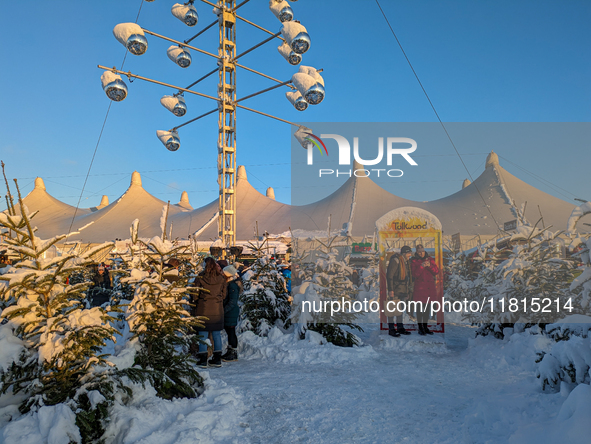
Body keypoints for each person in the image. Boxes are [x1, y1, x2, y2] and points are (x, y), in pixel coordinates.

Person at [192, 257, 227, 368]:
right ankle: (217, 359)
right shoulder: (221, 278)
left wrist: (199, 300)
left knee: (202, 334)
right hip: (217, 310)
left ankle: (203, 359)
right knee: (216, 334)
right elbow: (224, 294)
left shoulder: (200, 278)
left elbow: (194, 294)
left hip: (203, 308)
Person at [411, 245, 440, 335]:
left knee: (427, 308)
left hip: (429, 288)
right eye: (419, 251)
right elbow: (414, 274)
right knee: (420, 309)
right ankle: (420, 328)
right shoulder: (414, 261)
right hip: (420, 288)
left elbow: (436, 271)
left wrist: (430, 266)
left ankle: (425, 327)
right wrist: (421, 266)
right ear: (416, 252)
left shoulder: (430, 259)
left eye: (422, 251)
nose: (421, 253)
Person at [385, 245, 413, 337]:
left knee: (400, 309)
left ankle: (400, 327)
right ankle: (391, 329)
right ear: (404, 253)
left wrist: (407, 292)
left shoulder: (405, 262)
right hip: (395, 288)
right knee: (392, 309)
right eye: (409, 253)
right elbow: (390, 275)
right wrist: (391, 289)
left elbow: (407, 278)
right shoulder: (396, 260)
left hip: (402, 289)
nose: (410, 255)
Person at [221, 264, 241, 362]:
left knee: (231, 332)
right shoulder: (230, 284)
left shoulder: (232, 285)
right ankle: (231, 351)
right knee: (230, 332)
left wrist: (223, 311)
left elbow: (232, 302)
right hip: (229, 312)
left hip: (230, 313)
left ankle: (233, 352)